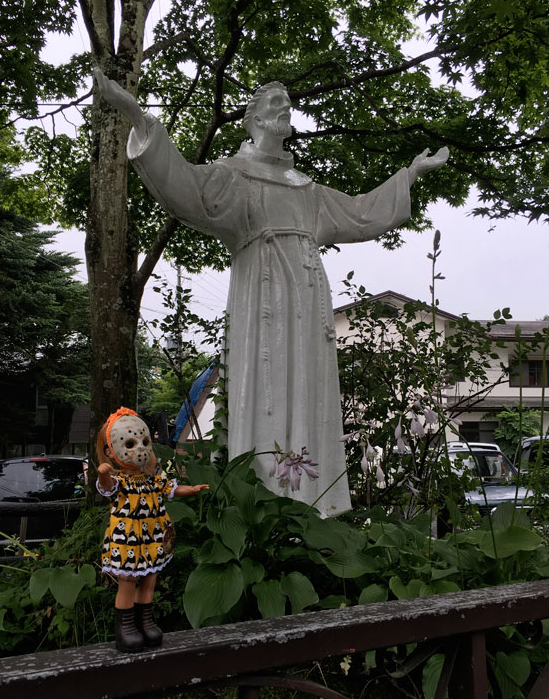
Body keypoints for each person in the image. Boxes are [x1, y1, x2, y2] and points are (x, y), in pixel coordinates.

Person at [94, 70, 449, 517]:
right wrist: (137, 116)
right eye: (274, 103)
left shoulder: (307, 188)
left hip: (308, 293)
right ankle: (266, 499)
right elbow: (184, 186)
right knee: (266, 380)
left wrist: (410, 174)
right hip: (261, 292)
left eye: (287, 103)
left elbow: (359, 212)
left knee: (309, 380)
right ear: (254, 119)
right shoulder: (233, 176)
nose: (285, 108)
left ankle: (314, 500)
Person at [96, 406, 208, 653]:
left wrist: (191, 489)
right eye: (129, 444)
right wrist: (103, 474)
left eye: (145, 442)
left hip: (153, 537)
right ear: (110, 451)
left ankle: (145, 621)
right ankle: (125, 627)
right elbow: (106, 487)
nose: (140, 448)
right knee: (127, 581)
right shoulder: (119, 482)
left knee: (149, 579)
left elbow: (171, 489)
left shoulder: (153, 480)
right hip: (127, 540)